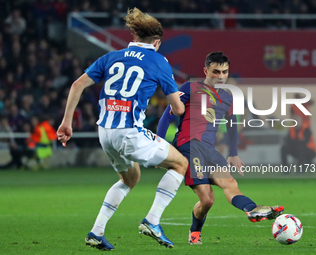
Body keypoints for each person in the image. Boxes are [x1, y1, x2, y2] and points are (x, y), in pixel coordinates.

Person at [57, 8, 188, 250]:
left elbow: (77, 85)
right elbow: (178, 110)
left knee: (130, 178)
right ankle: (153, 220)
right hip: (130, 132)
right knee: (180, 164)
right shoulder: (159, 61)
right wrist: (180, 97)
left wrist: (67, 122)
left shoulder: (112, 56)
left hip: (105, 133)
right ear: (157, 42)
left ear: (135, 37)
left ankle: (96, 232)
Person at [157, 52, 284, 245]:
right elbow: (168, 115)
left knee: (230, 184)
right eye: (216, 71)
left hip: (209, 150)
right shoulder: (189, 88)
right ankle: (195, 233)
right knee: (207, 199)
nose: (221, 76)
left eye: (224, 72)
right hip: (189, 147)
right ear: (205, 70)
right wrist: (158, 146)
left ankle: (252, 209)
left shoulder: (227, 97)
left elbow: (232, 125)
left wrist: (233, 153)